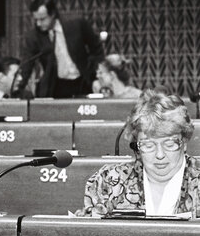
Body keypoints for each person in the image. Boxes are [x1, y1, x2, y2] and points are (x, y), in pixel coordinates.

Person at [76, 89, 200, 217]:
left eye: (169, 144)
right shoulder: (109, 180)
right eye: (148, 145)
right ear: (137, 147)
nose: (160, 154)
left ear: (184, 142)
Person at [17, 0, 104, 98]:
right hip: (58, 86)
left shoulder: (77, 24)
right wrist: (18, 88)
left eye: (42, 19)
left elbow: (97, 50)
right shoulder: (34, 37)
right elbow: (27, 65)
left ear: (53, 14)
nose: (38, 24)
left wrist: (95, 77)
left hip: (84, 81)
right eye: (36, 20)